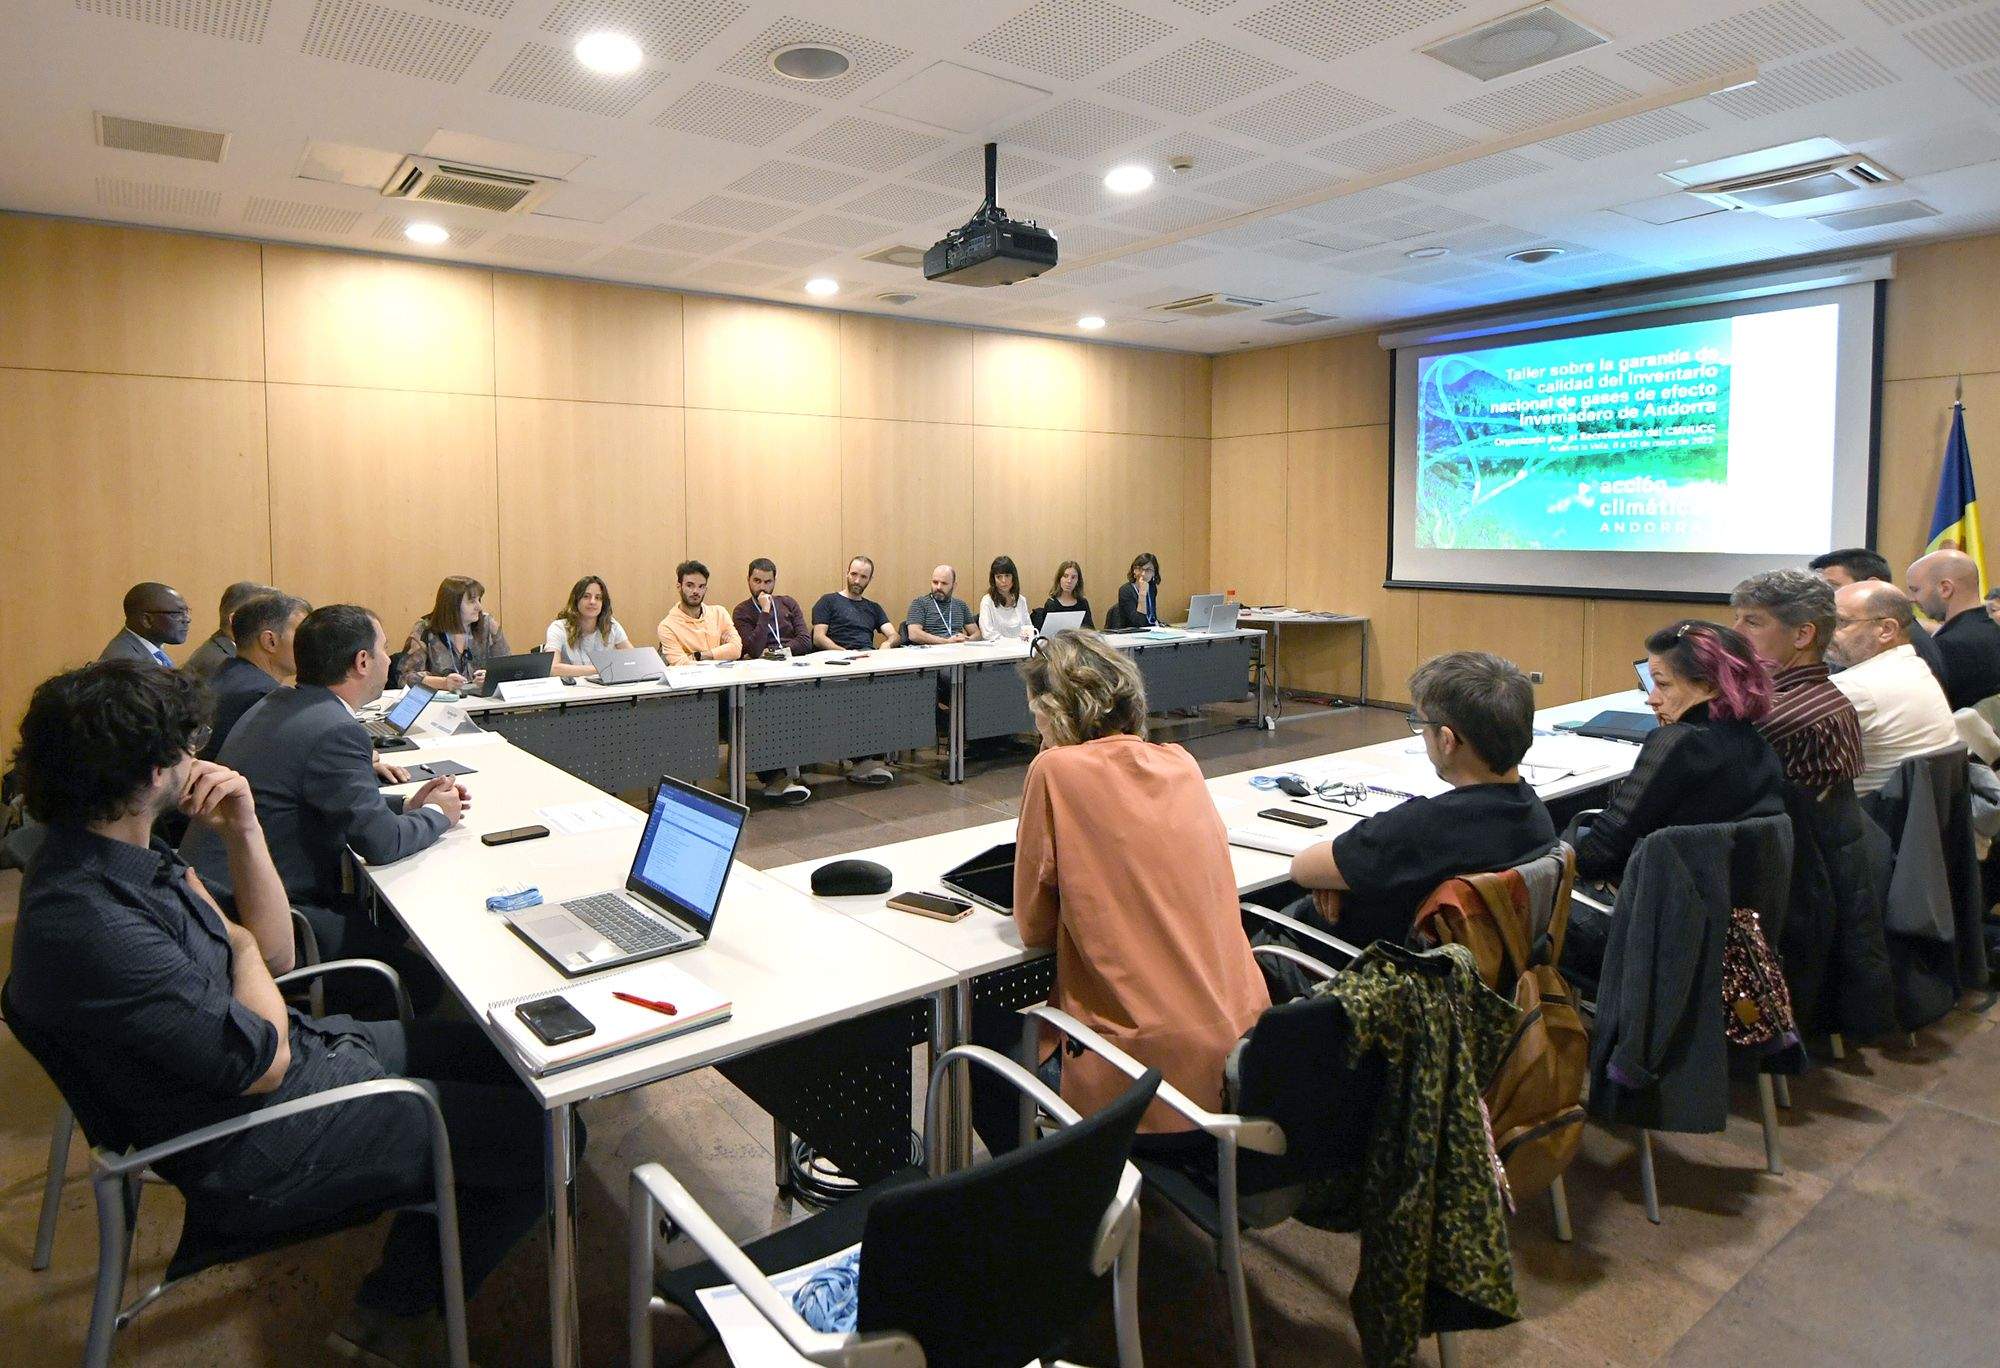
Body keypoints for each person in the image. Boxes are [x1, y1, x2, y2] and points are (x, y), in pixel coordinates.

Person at [6, 659, 546, 1367]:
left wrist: (244, 829)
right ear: (147, 775)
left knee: (505, 1056)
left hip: (302, 1058)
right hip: (261, 1141)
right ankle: (393, 1317)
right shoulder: (92, 920)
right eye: (181, 749)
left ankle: (456, 1219)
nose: (195, 760)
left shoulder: (115, 851)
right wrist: (236, 946)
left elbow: (279, 956)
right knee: (545, 1137)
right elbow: (264, 1057)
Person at [970, 630, 1269, 1152]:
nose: (1034, 726)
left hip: (1140, 1075)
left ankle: (1052, 1207)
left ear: (1055, 709)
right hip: (1239, 1051)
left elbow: (1033, 926)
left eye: (1036, 714)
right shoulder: (1182, 762)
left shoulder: (1055, 770)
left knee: (978, 1044)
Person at [184, 605, 468, 967]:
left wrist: (406, 806)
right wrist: (438, 815)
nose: (388, 659)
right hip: (269, 917)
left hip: (218, 899)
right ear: (362, 661)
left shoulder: (283, 701)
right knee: (425, 975)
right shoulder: (336, 729)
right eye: (384, 648)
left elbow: (325, 799)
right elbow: (381, 843)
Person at [1286, 652, 1557, 950]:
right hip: (1484, 976)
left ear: (1446, 740)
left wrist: (1339, 879)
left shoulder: (1424, 827)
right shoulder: (1534, 811)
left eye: (1421, 724)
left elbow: (1302, 868)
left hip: (1379, 974)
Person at [1574, 621, 1786, 883]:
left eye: (1663, 684)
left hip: (1664, 902)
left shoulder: (1678, 743)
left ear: (1710, 686)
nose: (1651, 699)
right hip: (1736, 905)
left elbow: (1598, 855)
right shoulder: (1759, 741)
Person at [1729, 569, 1863, 793]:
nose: (1735, 632)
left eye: (1752, 623)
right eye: (1737, 619)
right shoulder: (1824, 694)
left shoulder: (1770, 717)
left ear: (1802, 635)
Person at [1825, 581, 1959, 796]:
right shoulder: (1914, 666)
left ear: (1886, 630)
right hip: (1910, 821)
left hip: (1866, 821)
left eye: (1840, 622)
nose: (1827, 633)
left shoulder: (1857, 687)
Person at [810, 556, 899, 785]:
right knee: (858, 697)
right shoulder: (828, 601)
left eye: (863, 576)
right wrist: (843, 653)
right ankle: (862, 760)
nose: (857, 580)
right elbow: (819, 637)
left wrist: (887, 644)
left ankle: (869, 756)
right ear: (847, 573)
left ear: (870, 579)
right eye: (854, 574)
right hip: (837, 663)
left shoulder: (873, 608)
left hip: (867, 662)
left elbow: (893, 633)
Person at [1810, 547, 1950, 692]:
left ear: (1871, 583)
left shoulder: (1905, 649)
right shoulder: (1901, 631)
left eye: (1832, 586)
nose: (1822, 596)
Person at [732, 558, 813, 805]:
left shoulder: (788, 603)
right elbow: (754, 648)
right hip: (760, 681)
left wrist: (780, 650)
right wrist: (765, 612)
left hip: (792, 673)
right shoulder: (742, 611)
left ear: (775, 581)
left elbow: (805, 640)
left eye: (768, 582)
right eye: (757, 581)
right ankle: (775, 779)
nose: (763, 587)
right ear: (748, 581)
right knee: (761, 714)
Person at [202, 592, 311, 760]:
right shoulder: (263, 697)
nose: (312, 643)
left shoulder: (228, 672)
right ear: (270, 641)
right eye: (304, 635)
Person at [1908, 548, 2000, 709]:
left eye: (1916, 590)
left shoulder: (1946, 648)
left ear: (1945, 589)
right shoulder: (1991, 627)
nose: (1912, 599)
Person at [399, 576, 509, 690]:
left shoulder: (487, 624)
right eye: (472, 601)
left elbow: (509, 668)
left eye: (479, 600)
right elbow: (404, 678)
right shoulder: (425, 630)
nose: (479, 607)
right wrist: (443, 683)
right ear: (452, 605)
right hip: (441, 705)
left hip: (483, 703)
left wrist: (491, 677)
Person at [184, 581, 277, 680]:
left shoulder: (223, 652)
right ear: (235, 619)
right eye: (266, 615)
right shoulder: (221, 664)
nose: (276, 624)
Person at [543, 575, 632, 677]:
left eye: (598, 598)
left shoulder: (612, 626)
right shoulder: (558, 628)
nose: (592, 602)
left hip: (605, 690)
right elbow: (552, 668)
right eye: (586, 596)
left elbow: (633, 660)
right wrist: (602, 668)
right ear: (576, 600)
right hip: (571, 690)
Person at [657, 560, 742, 666]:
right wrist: (720, 653)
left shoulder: (719, 613)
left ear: (705, 589)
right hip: (690, 681)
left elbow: (736, 649)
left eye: (701, 586)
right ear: (679, 587)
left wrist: (698, 656)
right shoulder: (667, 626)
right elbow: (682, 665)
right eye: (690, 585)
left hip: (721, 679)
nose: (696, 591)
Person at [99, 582, 190, 666]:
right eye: (177, 613)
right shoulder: (125, 663)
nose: (187, 619)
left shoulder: (149, 650)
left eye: (187, 611)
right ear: (146, 620)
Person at [905, 564, 981, 645]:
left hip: (958, 651)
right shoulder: (919, 603)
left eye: (944, 583)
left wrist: (967, 639)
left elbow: (977, 634)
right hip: (931, 652)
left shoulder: (961, 605)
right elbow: (914, 634)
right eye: (935, 582)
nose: (938, 587)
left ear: (954, 586)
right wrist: (946, 642)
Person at [978, 556, 1035, 642]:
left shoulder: (1021, 600)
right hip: (996, 651)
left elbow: (1028, 628)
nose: (1003, 580)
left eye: (1007, 576)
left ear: (1013, 577)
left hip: (1021, 650)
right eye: (999, 577)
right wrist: (1013, 642)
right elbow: (987, 634)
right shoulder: (987, 601)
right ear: (993, 579)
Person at [1107, 552, 1161, 630]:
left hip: (1149, 633)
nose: (1143, 573)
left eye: (1148, 570)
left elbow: (1151, 617)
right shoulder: (1125, 590)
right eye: (1139, 569)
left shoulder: (1152, 588)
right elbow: (1138, 623)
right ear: (1134, 571)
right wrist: (1142, 594)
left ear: (1154, 573)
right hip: (1129, 635)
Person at [1039, 559, 1094, 629]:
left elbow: (1090, 630)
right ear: (1059, 579)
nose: (1069, 581)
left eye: (1073, 577)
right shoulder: (1051, 604)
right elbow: (1047, 633)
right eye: (1065, 576)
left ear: (1077, 581)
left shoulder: (1083, 603)